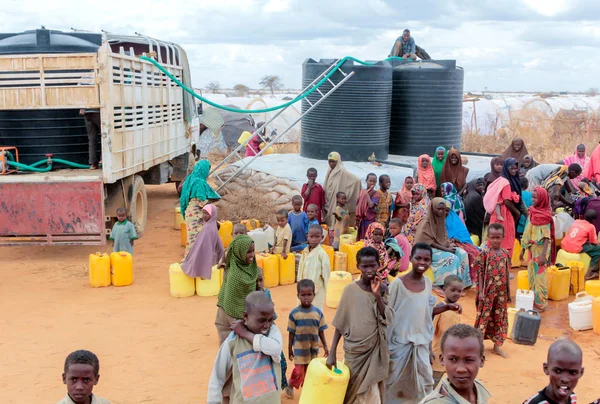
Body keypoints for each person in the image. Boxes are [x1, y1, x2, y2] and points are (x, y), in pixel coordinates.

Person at [386, 243, 461, 403]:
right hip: (399, 344)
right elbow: (387, 315)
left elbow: (426, 314)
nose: (422, 262)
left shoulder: (427, 284)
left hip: (420, 344)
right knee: (394, 383)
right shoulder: (398, 285)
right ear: (411, 258)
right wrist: (385, 346)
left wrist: (447, 306)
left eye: (426, 259)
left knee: (425, 383)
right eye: (418, 258)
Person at [326, 247, 393, 403]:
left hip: (374, 351)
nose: (369, 270)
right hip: (354, 353)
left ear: (379, 265)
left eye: (373, 265)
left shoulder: (383, 289)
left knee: (372, 395)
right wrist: (332, 352)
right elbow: (340, 324)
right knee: (351, 393)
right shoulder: (349, 290)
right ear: (358, 266)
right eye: (365, 266)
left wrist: (377, 296)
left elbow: (387, 318)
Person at [208, 292, 282, 404]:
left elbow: (275, 348)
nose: (267, 325)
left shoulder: (272, 333)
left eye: (270, 319)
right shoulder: (233, 341)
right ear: (245, 316)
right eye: (261, 320)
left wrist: (245, 333)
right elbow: (217, 376)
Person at [415, 198, 472, 296]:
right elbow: (428, 241)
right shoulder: (426, 222)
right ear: (433, 208)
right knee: (452, 258)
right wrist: (446, 249)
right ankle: (441, 284)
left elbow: (443, 237)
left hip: (440, 247)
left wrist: (449, 244)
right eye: (439, 209)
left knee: (462, 253)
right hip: (426, 250)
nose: (441, 212)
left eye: (443, 209)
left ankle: (461, 284)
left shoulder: (441, 220)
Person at [421, 325, 490, 404]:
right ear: (442, 359)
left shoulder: (478, 388)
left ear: (482, 360)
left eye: (469, 360)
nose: (461, 369)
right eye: (453, 359)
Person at [285, 279, 329, 398]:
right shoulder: (294, 314)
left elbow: (321, 331)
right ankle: (291, 384)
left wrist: (325, 346)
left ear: (314, 295)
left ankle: (307, 391)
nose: (306, 298)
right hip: (299, 349)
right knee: (299, 371)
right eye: (303, 295)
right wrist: (290, 349)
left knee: (310, 371)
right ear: (298, 295)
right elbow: (291, 333)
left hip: (313, 349)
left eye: (309, 294)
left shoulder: (318, 313)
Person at [473, 223, 511, 358]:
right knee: (484, 317)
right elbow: (480, 273)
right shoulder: (485, 254)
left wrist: (508, 293)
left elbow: (506, 273)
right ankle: (479, 348)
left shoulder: (506, 254)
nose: (495, 240)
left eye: (498, 237)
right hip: (488, 293)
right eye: (493, 237)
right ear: (488, 237)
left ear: (503, 237)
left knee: (500, 318)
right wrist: (481, 292)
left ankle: (497, 346)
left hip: (501, 294)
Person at [215, 235, 258, 344]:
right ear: (239, 253)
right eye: (248, 252)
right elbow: (237, 304)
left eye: (253, 251)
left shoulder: (245, 266)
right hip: (231, 316)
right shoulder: (236, 275)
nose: (252, 255)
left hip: (234, 314)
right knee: (233, 347)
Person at [521, 187, 554, 312]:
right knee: (532, 276)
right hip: (532, 249)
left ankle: (541, 304)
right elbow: (527, 231)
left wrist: (543, 255)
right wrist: (523, 249)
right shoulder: (532, 212)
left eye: (535, 198)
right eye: (532, 198)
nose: (533, 200)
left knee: (540, 278)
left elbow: (546, 237)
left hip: (541, 250)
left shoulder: (545, 216)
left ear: (542, 199)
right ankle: (533, 300)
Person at [256, 268, 289, 394]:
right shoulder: (250, 297)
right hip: (257, 333)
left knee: (281, 361)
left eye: (261, 280)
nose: (259, 284)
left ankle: (279, 388)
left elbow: (272, 313)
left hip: (269, 329)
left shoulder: (267, 293)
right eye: (256, 281)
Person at [522, 339, 584, 404]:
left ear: (581, 372)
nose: (565, 379)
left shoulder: (572, 397)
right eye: (558, 371)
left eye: (572, 372)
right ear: (546, 368)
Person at [485, 157, 524, 258]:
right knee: (505, 239)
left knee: (494, 239)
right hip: (504, 214)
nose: (514, 171)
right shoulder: (506, 183)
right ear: (506, 168)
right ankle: (503, 266)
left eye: (516, 168)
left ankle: (493, 264)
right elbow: (507, 201)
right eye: (511, 168)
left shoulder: (500, 180)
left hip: (496, 214)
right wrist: (517, 212)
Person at [180, 160, 221, 257]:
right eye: (207, 169)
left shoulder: (191, 178)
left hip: (190, 212)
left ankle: (192, 261)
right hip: (196, 214)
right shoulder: (199, 182)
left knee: (193, 239)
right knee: (196, 239)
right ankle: (190, 262)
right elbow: (201, 201)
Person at [431, 275, 464, 387]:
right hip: (436, 355)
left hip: (450, 356)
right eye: (453, 290)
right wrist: (428, 351)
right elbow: (430, 331)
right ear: (444, 290)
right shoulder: (439, 309)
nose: (456, 293)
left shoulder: (456, 308)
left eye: (459, 291)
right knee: (431, 385)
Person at [181, 204, 224, 279]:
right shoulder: (212, 225)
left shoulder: (207, 228)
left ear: (212, 214)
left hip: (207, 259)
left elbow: (205, 248)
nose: (204, 215)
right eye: (203, 213)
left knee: (189, 264)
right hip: (213, 258)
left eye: (207, 213)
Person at [323, 151, 361, 228]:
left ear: (338, 161)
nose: (331, 164)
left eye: (333, 162)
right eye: (329, 162)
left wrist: (357, 184)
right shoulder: (329, 170)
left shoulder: (341, 171)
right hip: (330, 199)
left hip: (336, 199)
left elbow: (356, 180)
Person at [297, 225, 331, 311]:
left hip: (317, 290)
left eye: (317, 237)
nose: (314, 239)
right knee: (302, 311)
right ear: (307, 236)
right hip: (303, 288)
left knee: (315, 312)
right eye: (311, 236)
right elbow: (300, 268)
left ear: (322, 237)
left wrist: (328, 291)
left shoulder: (322, 255)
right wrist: (299, 283)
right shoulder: (305, 251)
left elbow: (326, 275)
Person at [444, 202, 480, 282]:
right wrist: (450, 240)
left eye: (447, 210)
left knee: (476, 252)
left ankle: (475, 279)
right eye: (444, 210)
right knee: (467, 254)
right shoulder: (438, 220)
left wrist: (456, 238)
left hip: (460, 242)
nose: (445, 213)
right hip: (448, 244)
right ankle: (466, 280)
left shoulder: (453, 217)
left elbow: (462, 232)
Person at [561, 209, 600, 280]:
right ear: (594, 220)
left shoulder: (576, 221)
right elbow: (593, 242)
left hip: (564, 244)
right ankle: (591, 272)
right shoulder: (591, 227)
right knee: (598, 250)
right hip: (574, 248)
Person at [356, 173, 378, 241]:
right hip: (361, 219)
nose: (372, 183)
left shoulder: (375, 193)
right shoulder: (362, 191)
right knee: (360, 238)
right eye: (370, 181)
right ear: (366, 181)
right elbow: (358, 204)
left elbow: (371, 205)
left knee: (367, 238)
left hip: (369, 220)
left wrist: (367, 195)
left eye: (374, 182)